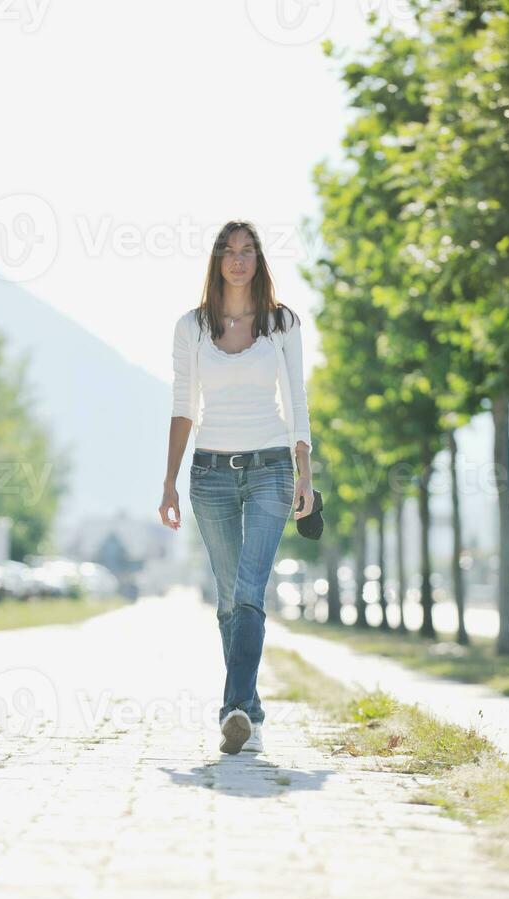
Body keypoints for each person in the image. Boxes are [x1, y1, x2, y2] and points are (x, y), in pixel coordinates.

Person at [159, 219, 314, 755]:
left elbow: (297, 397)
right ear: (217, 260)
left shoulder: (282, 323)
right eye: (229, 251)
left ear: (259, 260)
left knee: (251, 590)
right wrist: (170, 482)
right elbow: (184, 406)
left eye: (248, 251)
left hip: (272, 465)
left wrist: (304, 469)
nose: (239, 259)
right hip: (208, 474)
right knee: (228, 600)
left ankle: (233, 710)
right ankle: (252, 706)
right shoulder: (192, 327)